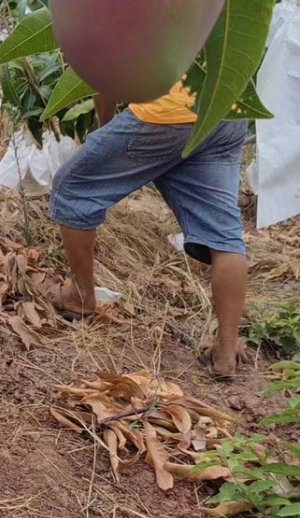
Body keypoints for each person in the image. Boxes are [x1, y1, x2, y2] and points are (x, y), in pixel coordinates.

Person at [47, 80, 249, 380]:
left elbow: (110, 72)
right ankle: (226, 353)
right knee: (223, 233)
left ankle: (80, 296)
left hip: (168, 113)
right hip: (229, 110)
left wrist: (106, 125)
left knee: (72, 187)